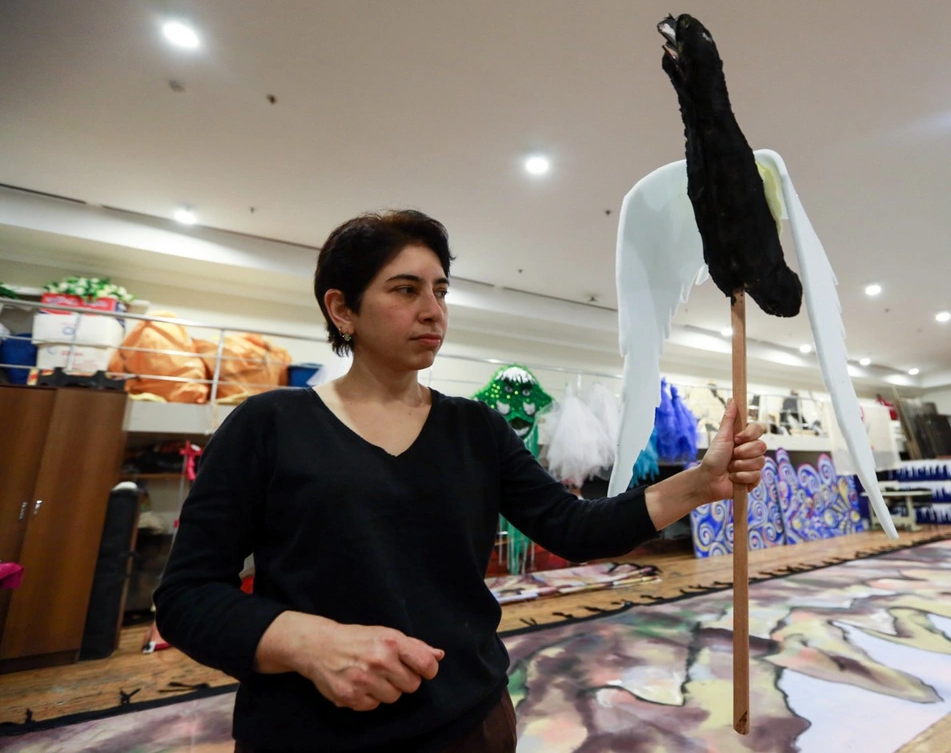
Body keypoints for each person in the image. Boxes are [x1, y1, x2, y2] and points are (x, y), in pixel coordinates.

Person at [154, 210, 768, 753]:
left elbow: (572, 528)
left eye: (441, 290)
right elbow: (186, 596)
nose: (433, 310)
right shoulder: (269, 423)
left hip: (470, 725)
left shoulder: (476, 427)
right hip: (308, 734)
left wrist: (700, 482)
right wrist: (305, 641)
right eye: (405, 289)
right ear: (342, 309)